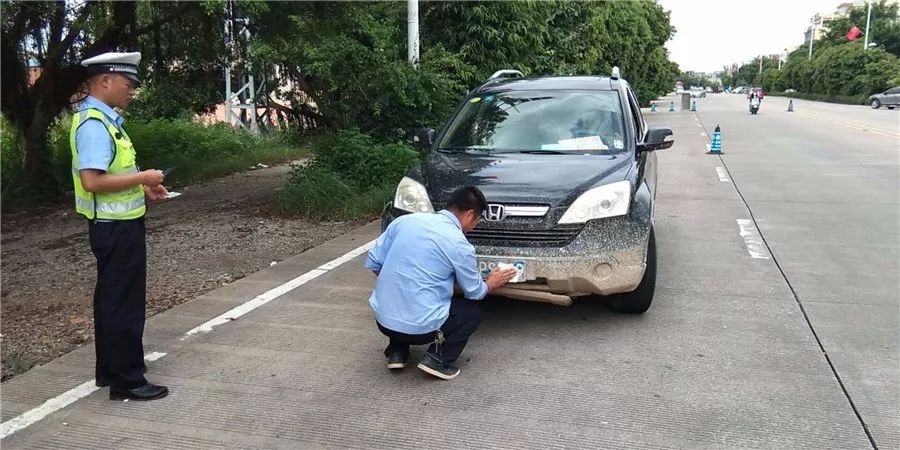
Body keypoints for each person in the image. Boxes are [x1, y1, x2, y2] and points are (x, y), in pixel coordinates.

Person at [72, 51, 170, 401]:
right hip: (115, 228)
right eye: (128, 85)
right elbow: (92, 181)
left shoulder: (105, 120)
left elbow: (112, 171)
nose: (132, 91)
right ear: (105, 81)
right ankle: (128, 381)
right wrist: (144, 175)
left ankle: (113, 371)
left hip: (118, 225)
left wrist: (142, 185)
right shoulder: (95, 124)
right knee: (123, 304)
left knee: (113, 301)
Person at [364, 186, 518, 380]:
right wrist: (492, 281)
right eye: (477, 219)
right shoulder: (459, 243)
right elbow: (475, 292)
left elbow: (374, 263)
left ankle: (397, 351)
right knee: (471, 312)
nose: (475, 225)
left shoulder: (403, 222)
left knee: (402, 293)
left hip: (383, 321)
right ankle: (438, 359)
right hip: (422, 331)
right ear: (470, 214)